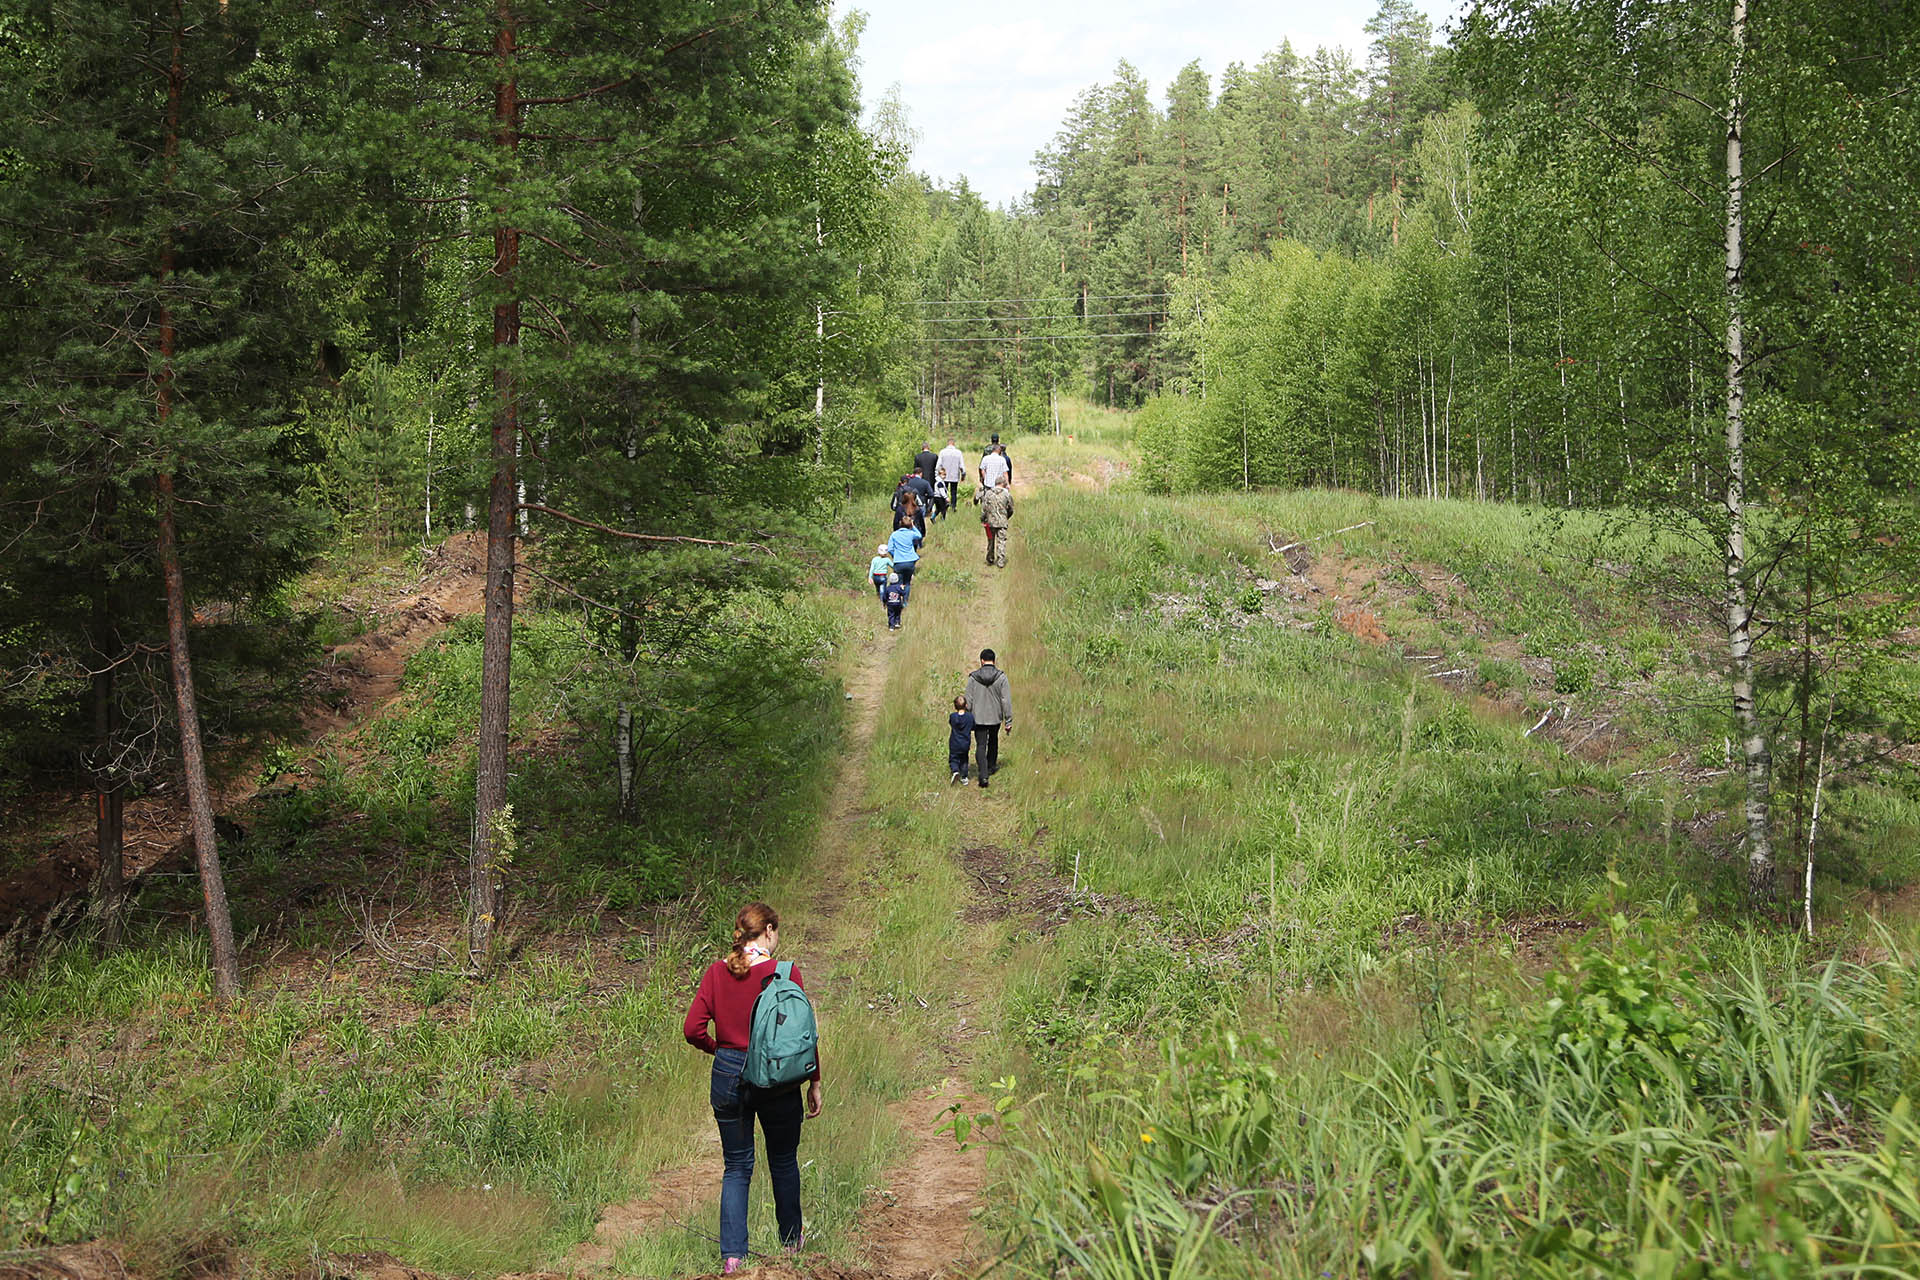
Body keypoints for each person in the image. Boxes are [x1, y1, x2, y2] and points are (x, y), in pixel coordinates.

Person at [683, 902, 823, 1274]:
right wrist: (814, 1081)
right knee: (782, 1161)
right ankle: (791, 1243)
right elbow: (801, 1035)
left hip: (728, 1073)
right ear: (770, 931)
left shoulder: (716, 973)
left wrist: (719, 1050)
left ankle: (732, 1257)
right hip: (777, 1078)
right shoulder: (785, 972)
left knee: (737, 1167)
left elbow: (692, 1029)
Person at [964, 648, 1013, 787]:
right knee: (993, 741)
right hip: (995, 717)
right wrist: (1008, 720)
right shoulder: (1001, 677)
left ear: (982, 661)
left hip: (978, 718)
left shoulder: (973, 678)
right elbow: (1006, 700)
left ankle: (983, 775)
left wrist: (968, 716)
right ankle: (991, 766)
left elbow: (968, 700)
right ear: (994, 660)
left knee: (980, 745)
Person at [980, 475, 1014, 568]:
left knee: (991, 540)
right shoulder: (1007, 495)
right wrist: (1006, 516)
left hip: (990, 521)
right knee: (1001, 541)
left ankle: (990, 557)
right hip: (1002, 521)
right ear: (1003, 484)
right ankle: (1000, 560)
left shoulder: (988, 494)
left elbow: (984, 508)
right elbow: (1011, 508)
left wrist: (983, 518)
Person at [886, 520, 922, 593]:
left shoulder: (894, 534)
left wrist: (894, 555)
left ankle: (897, 599)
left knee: (899, 582)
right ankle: (905, 601)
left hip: (898, 561)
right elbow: (919, 535)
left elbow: (889, 549)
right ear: (909, 525)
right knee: (907, 583)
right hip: (910, 561)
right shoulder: (911, 533)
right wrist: (913, 526)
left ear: (900, 524)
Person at [934, 437, 966, 519]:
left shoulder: (943, 452)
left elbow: (938, 465)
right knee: (953, 492)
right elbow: (962, 465)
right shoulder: (958, 453)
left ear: (947, 443)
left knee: (943, 491)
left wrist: (937, 475)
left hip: (944, 476)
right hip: (954, 476)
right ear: (954, 443)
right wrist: (963, 475)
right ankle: (953, 507)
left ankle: (944, 505)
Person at [948, 695, 973, 784]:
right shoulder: (970, 717)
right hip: (965, 743)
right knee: (964, 760)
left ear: (955, 706)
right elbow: (973, 726)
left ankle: (955, 771)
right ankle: (964, 777)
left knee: (954, 758)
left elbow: (951, 723)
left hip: (954, 742)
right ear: (966, 705)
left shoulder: (953, 717)